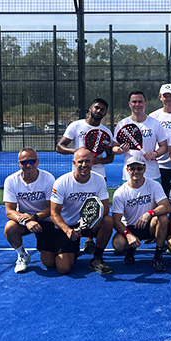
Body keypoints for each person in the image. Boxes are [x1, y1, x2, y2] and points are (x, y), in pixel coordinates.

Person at [56, 97, 118, 254]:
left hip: (98, 177)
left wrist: (97, 159)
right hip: (78, 175)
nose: (99, 111)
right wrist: (78, 152)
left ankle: (90, 241)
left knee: (96, 211)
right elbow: (60, 147)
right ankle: (71, 234)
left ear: (105, 113)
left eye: (102, 109)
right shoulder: (76, 126)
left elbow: (110, 157)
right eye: (96, 107)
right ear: (91, 108)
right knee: (76, 206)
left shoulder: (106, 131)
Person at [50, 148, 114, 275]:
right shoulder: (62, 182)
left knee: (108, 221)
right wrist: (68, 230)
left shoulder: (99, 180)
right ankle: (72, 250)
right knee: (63, 268)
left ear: (93, 162)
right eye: (80, 162)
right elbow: (54, 214)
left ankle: (97, 258)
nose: (84, 165)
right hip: (66, 227)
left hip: (89, 223)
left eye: (87, 161)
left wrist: (88, 221)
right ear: (74, 163)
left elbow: (105, 209)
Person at [110, 155, 171, 272]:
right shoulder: (120, 192)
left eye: (139, 168)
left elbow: (167, 206)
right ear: (127, 170)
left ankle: (158, 255)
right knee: (118, 245)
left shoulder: (154, 185)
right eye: (132, 169)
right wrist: (128, 235)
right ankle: (130, 249)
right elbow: (116, 221)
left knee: (162, 218)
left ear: (144, 169)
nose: (136, 171)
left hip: (149, 225)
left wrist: (150, 213)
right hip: (131, 227)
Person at [3, 148, 56, 274]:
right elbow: (9, 211)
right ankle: (22, 255)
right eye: (24, 162)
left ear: (37, 162)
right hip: (25, 221)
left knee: (49, 263)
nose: (28, 165)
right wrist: (26, 221)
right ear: (19, 164)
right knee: (9, 228)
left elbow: (51, 208)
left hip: (45, 220)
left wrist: (34, 217)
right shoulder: (11, 181)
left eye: (31, 161)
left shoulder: (48, 178)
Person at [114, 90, 168, 182]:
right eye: (134, 102)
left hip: (152, 175)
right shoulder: (122, 124)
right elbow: (114, 147)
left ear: (145, 103)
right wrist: (120, 150)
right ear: (129, 104)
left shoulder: (155, 123)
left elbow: (164, 147)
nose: (137, 104)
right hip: (129, 176)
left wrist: (155, 154)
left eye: (140, 101)